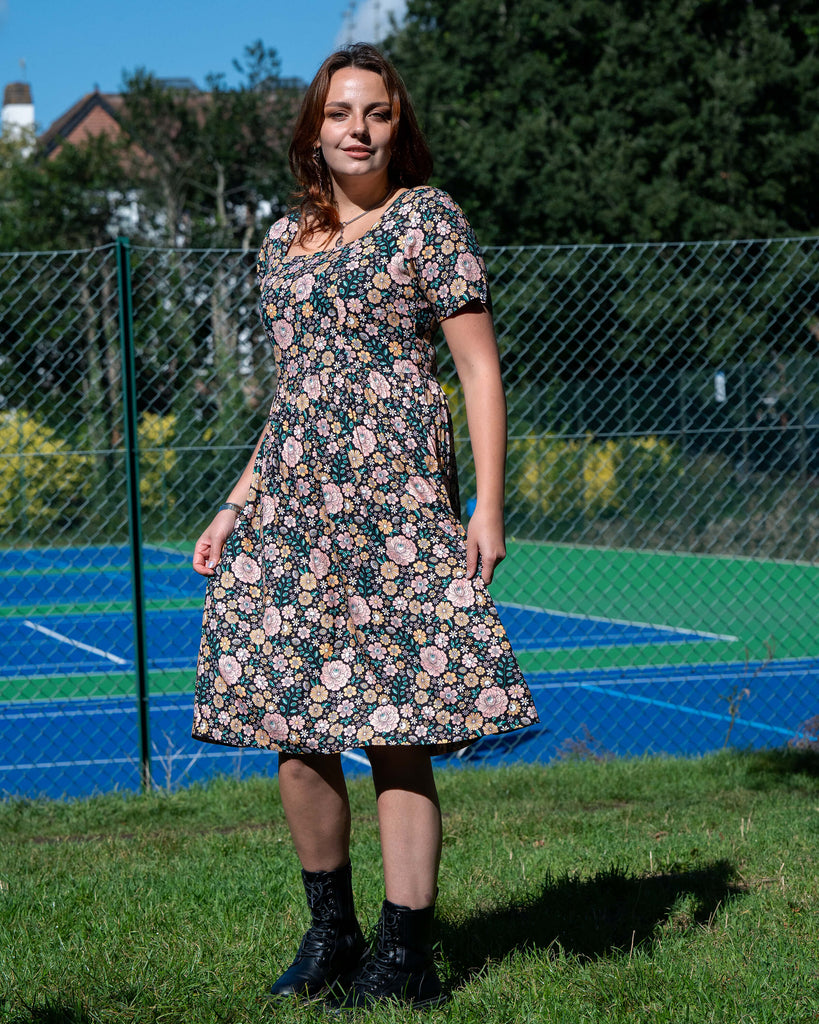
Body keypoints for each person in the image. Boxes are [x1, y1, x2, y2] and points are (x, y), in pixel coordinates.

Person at [191, 42, 539, 1009]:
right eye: (340, 112)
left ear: (397, 126)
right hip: (293, 508)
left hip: (396, 507)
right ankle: (331, 932)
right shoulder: (280, 241)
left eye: (376, 113)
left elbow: (477, 369)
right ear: (313, 130)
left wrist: (488, 503)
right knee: (291, 728)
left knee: (396, 726)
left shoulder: (425, 220)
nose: (357, 128)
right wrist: (235, 503)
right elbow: (292, 396)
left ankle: (405, 950)